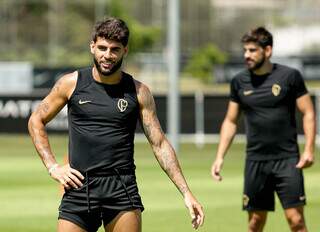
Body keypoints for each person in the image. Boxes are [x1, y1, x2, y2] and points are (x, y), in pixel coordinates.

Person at [28, 17, 204, 232]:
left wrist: (186, 193)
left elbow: (159, 144)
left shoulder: (139, 92)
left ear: (125, 51)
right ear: (92, 46)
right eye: (102, 48)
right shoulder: (71, 83)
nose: (107, 55)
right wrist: (53, 166)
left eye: (114, 49)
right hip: (79, 187)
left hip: (121, 189)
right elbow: (36, 119)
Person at [211, 27, 315, 232]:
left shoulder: (290, 77)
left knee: (296, 221)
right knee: (255, 223)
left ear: (267, 51)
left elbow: (309, 113)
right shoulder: (239, 81)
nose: (246, 55)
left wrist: (309, 149)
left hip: (287, 160)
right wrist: (219, 156)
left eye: (252, 50)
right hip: (255, 161)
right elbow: (230, 121)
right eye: (245, 50)